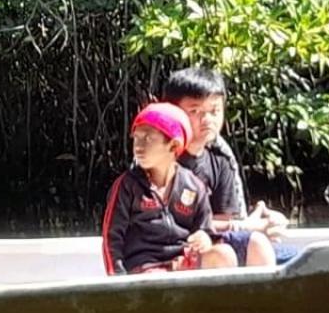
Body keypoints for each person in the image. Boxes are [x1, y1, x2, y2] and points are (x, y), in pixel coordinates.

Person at [161, 65, 293, 266]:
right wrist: (246, 227)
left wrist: (259, 224)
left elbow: (221, 222)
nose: (207, 120)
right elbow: (174, 224)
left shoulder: (220, 157)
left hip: (214, 242)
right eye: (195, 111)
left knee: (295, 257)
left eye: (214, 111)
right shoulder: (162, 157)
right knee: (254, 242)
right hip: (175, 249)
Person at [101, 102, 238, 275]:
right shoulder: (127, 186)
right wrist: (118, 279)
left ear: (173, 146)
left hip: (182, 262)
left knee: (224, 254)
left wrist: (204, 238)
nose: (138, 146)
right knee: (156, 277)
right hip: (145, 268)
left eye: (148, 139)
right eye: (136, 138)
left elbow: (205, 229)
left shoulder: (194, 186)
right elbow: (111, 238)